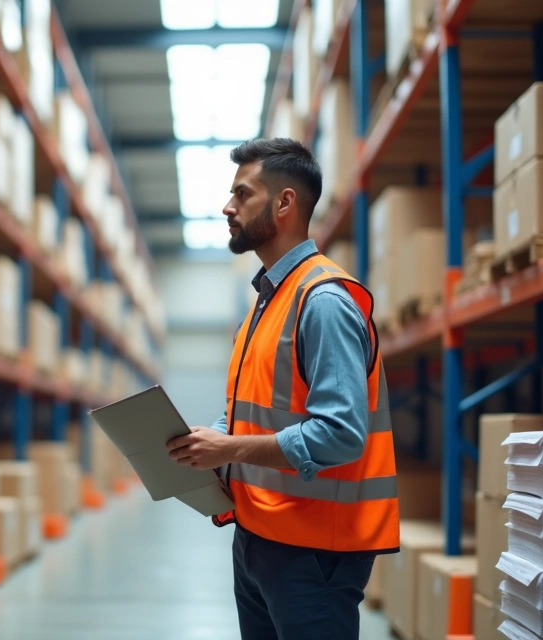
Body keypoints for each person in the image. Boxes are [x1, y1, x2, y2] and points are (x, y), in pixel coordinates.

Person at [165, 138, 399, 639]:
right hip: (259, 536)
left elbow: (340, 434)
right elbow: (252, 411)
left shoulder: (323, 301)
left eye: (241, 194)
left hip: (314, 552)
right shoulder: (266, 302)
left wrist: (227, 447)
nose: (228, 207)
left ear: (284, 203)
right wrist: (205, 446)